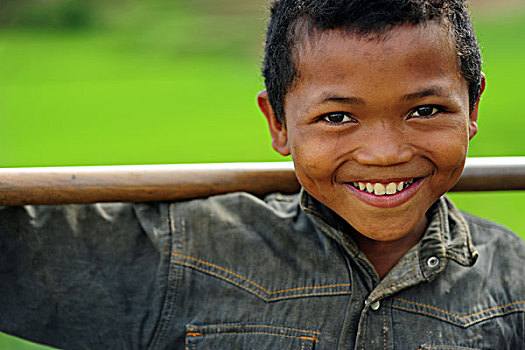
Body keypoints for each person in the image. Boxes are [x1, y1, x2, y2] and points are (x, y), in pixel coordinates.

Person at [1, 0, 524, 348]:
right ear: (278, 124)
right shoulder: (188, 254)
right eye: (337, 117)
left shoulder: (514, 285)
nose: (383, 154)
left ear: (473, 105)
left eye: (425, 110)